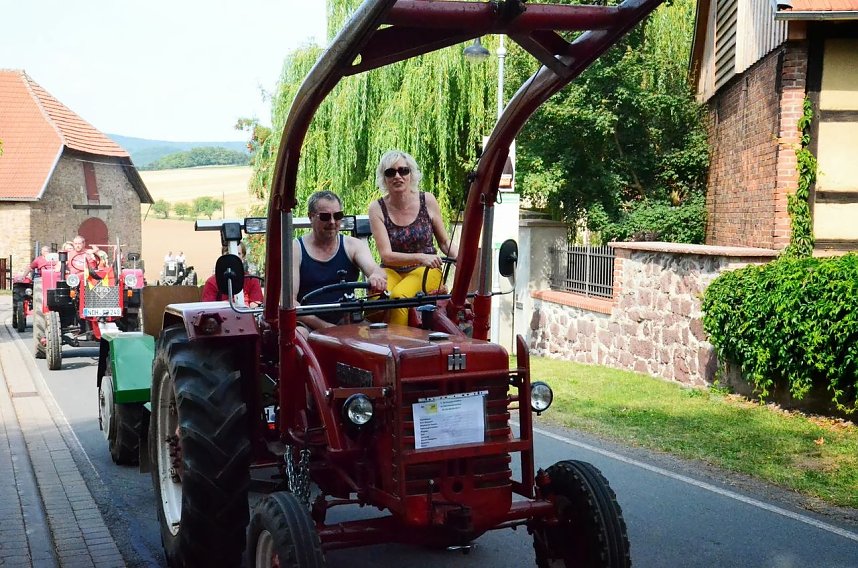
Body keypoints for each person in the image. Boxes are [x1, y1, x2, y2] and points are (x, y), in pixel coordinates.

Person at [367, 150, 457, 326]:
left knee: (399, 298)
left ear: (411, 174)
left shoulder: (427, 200)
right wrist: (421, 257)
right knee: (375, 296)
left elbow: (445, 243)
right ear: (384, 178)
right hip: (392, 269)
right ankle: (372, 344)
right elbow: (386, 256)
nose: (397, 176)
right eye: (390, 172)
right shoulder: (377, 208)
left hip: (426, 270)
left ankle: (399, 349)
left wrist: (462, 260)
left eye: (403, 171)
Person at [294, 190, 387, 333]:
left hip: (348, 322)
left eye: (337, 216)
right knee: (298, 335)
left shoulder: (353, 245)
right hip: (308, 325)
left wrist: (376, 276)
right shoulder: (295, 249)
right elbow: (290, 302)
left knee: (380, 336)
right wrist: (326, 327)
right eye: (325, 217)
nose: (332, 222)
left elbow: (376, 269)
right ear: (310, 217)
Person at [201, 241, 264, 307]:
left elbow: (256, 306)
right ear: (223, 256)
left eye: (238, 253)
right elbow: (208, 309)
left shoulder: (252, 280)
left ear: (243, 257)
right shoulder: (212, 282)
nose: (233, 257)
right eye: (228, 253)